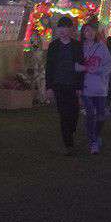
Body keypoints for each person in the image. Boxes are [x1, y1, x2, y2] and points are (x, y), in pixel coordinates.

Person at [44, 16, 84, 154]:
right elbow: (49, 67)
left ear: (71, 30)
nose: (62, 31)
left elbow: (80, 67)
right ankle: (68, 143)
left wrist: (79, 87)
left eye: (65, 28)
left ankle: (70, 132)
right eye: (60, 28)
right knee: (63, 113)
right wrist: (49, 87)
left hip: (72, 84)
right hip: (59, 84)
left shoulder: (77, 46)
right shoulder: (53, 46)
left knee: (74, 113)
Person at [78, 23, 111, 153]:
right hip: (86, 86)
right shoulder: (80, 48)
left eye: (92, 30)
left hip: (100, 87)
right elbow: (76, 66)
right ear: (83, 33)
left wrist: (95, 70)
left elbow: (108, 65)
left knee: (101, 116)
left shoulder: (102, 47)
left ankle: (96, 135)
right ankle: (93, 141)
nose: (90, 32)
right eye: (87, 30)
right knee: (90, 113)